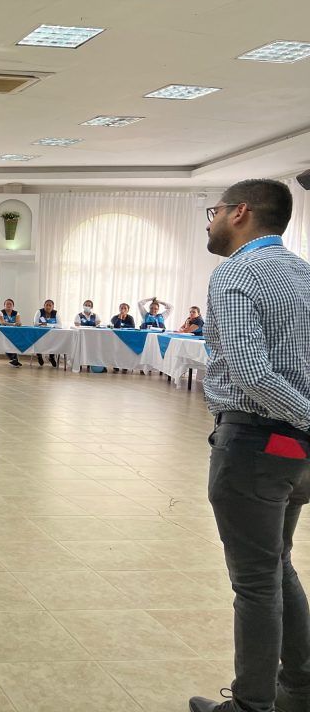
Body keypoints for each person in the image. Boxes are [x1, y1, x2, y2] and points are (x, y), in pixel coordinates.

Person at [190, 180, 310, 712]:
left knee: (256, 581)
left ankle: (251, 704)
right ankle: (302, 684)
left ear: (240, 212)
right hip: (297, 456)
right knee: (277, 563)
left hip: (258, 445)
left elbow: (253, 374)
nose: (210, 221)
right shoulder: (304, 272)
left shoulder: (237, 273)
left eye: (213, 211)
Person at [0, 298, 22, 367]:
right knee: (7, 341)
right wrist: (13, 324)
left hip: (12, 332)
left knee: (14, 341)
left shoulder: (16, 313)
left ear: (13, 306)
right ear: (4, 305)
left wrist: (17, 324)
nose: (9, 305)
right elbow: (2, 323)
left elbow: (18, 323)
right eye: (7, 304)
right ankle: (14, 358)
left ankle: (14, 359)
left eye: (10, 304)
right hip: (0, 332)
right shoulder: (0, 312)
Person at [33, 299, 59, 367]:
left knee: (55, 340)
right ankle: (39, 355)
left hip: (52, 334)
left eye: (50, 305)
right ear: (44, 306)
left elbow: (60, 325)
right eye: (46, 305)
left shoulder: (55, 313)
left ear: (53, 306)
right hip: (40, 333)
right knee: (38, 340)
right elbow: (35, 323)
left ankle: (51, 356)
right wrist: (42, 325)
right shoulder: (39, 312)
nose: (48, 307)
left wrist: (47, 325)